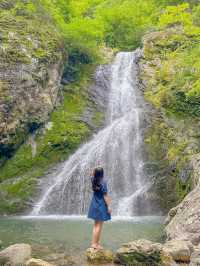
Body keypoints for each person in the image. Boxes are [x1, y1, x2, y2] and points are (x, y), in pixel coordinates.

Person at [87, 167, 111, 250]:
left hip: (94, 203)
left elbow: (91, 174)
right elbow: (105, 195)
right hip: (101, 204)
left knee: (95, 225)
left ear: (95, 173)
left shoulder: (93, 180)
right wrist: (109, 206)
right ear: (102, 173)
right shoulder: (103, 182)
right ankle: (95, 244)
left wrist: (94, 171)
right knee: (99, 226)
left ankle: (95, 243)